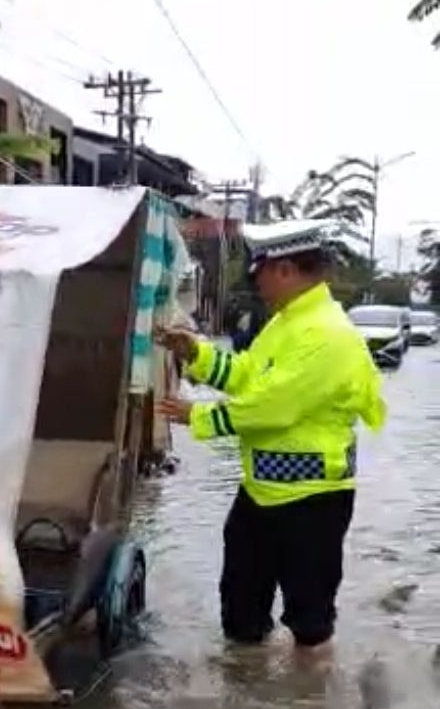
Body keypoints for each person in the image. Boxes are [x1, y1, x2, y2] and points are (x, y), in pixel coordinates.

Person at [156, 221, 386, 652]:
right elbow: (248, 376)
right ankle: (247, 696)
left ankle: (309, 706)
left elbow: (274, 406)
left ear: (283, 269)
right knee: (240, 606)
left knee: (309, 621)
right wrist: (196, 354)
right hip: (261, 492)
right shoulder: (288, 324)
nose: (254, 281)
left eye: (257, 271)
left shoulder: (327, 334)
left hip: (312, 498)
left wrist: (200, 417)